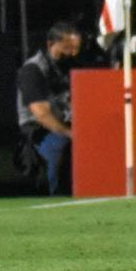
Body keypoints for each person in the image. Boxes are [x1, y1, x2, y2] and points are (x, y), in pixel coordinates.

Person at [15, 21, 84, 195]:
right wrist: (71, 133)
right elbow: (41, 114)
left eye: (77, 48)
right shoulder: (32, 70)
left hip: (66, 123)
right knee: (61, 145)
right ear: (51, 44)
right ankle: (58, 194)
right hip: (38, 130)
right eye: (68, 48)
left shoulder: (67, 66)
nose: (73, 53)